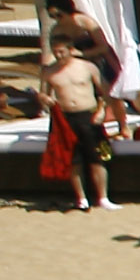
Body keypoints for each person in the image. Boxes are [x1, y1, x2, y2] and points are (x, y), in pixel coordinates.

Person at [37, 39, 111, 211]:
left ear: (71, 49)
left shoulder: (87, 67)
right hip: (65, 117)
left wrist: (102, 110)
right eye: (55, 52)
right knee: (73, 160)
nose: (58, 55)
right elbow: (42, 94)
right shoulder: (49, 71)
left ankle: (103, 197)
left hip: (89, 114)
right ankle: (81, 198)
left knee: (97, 157)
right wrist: (45, 99)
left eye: (62, 51)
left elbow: (104, 91)